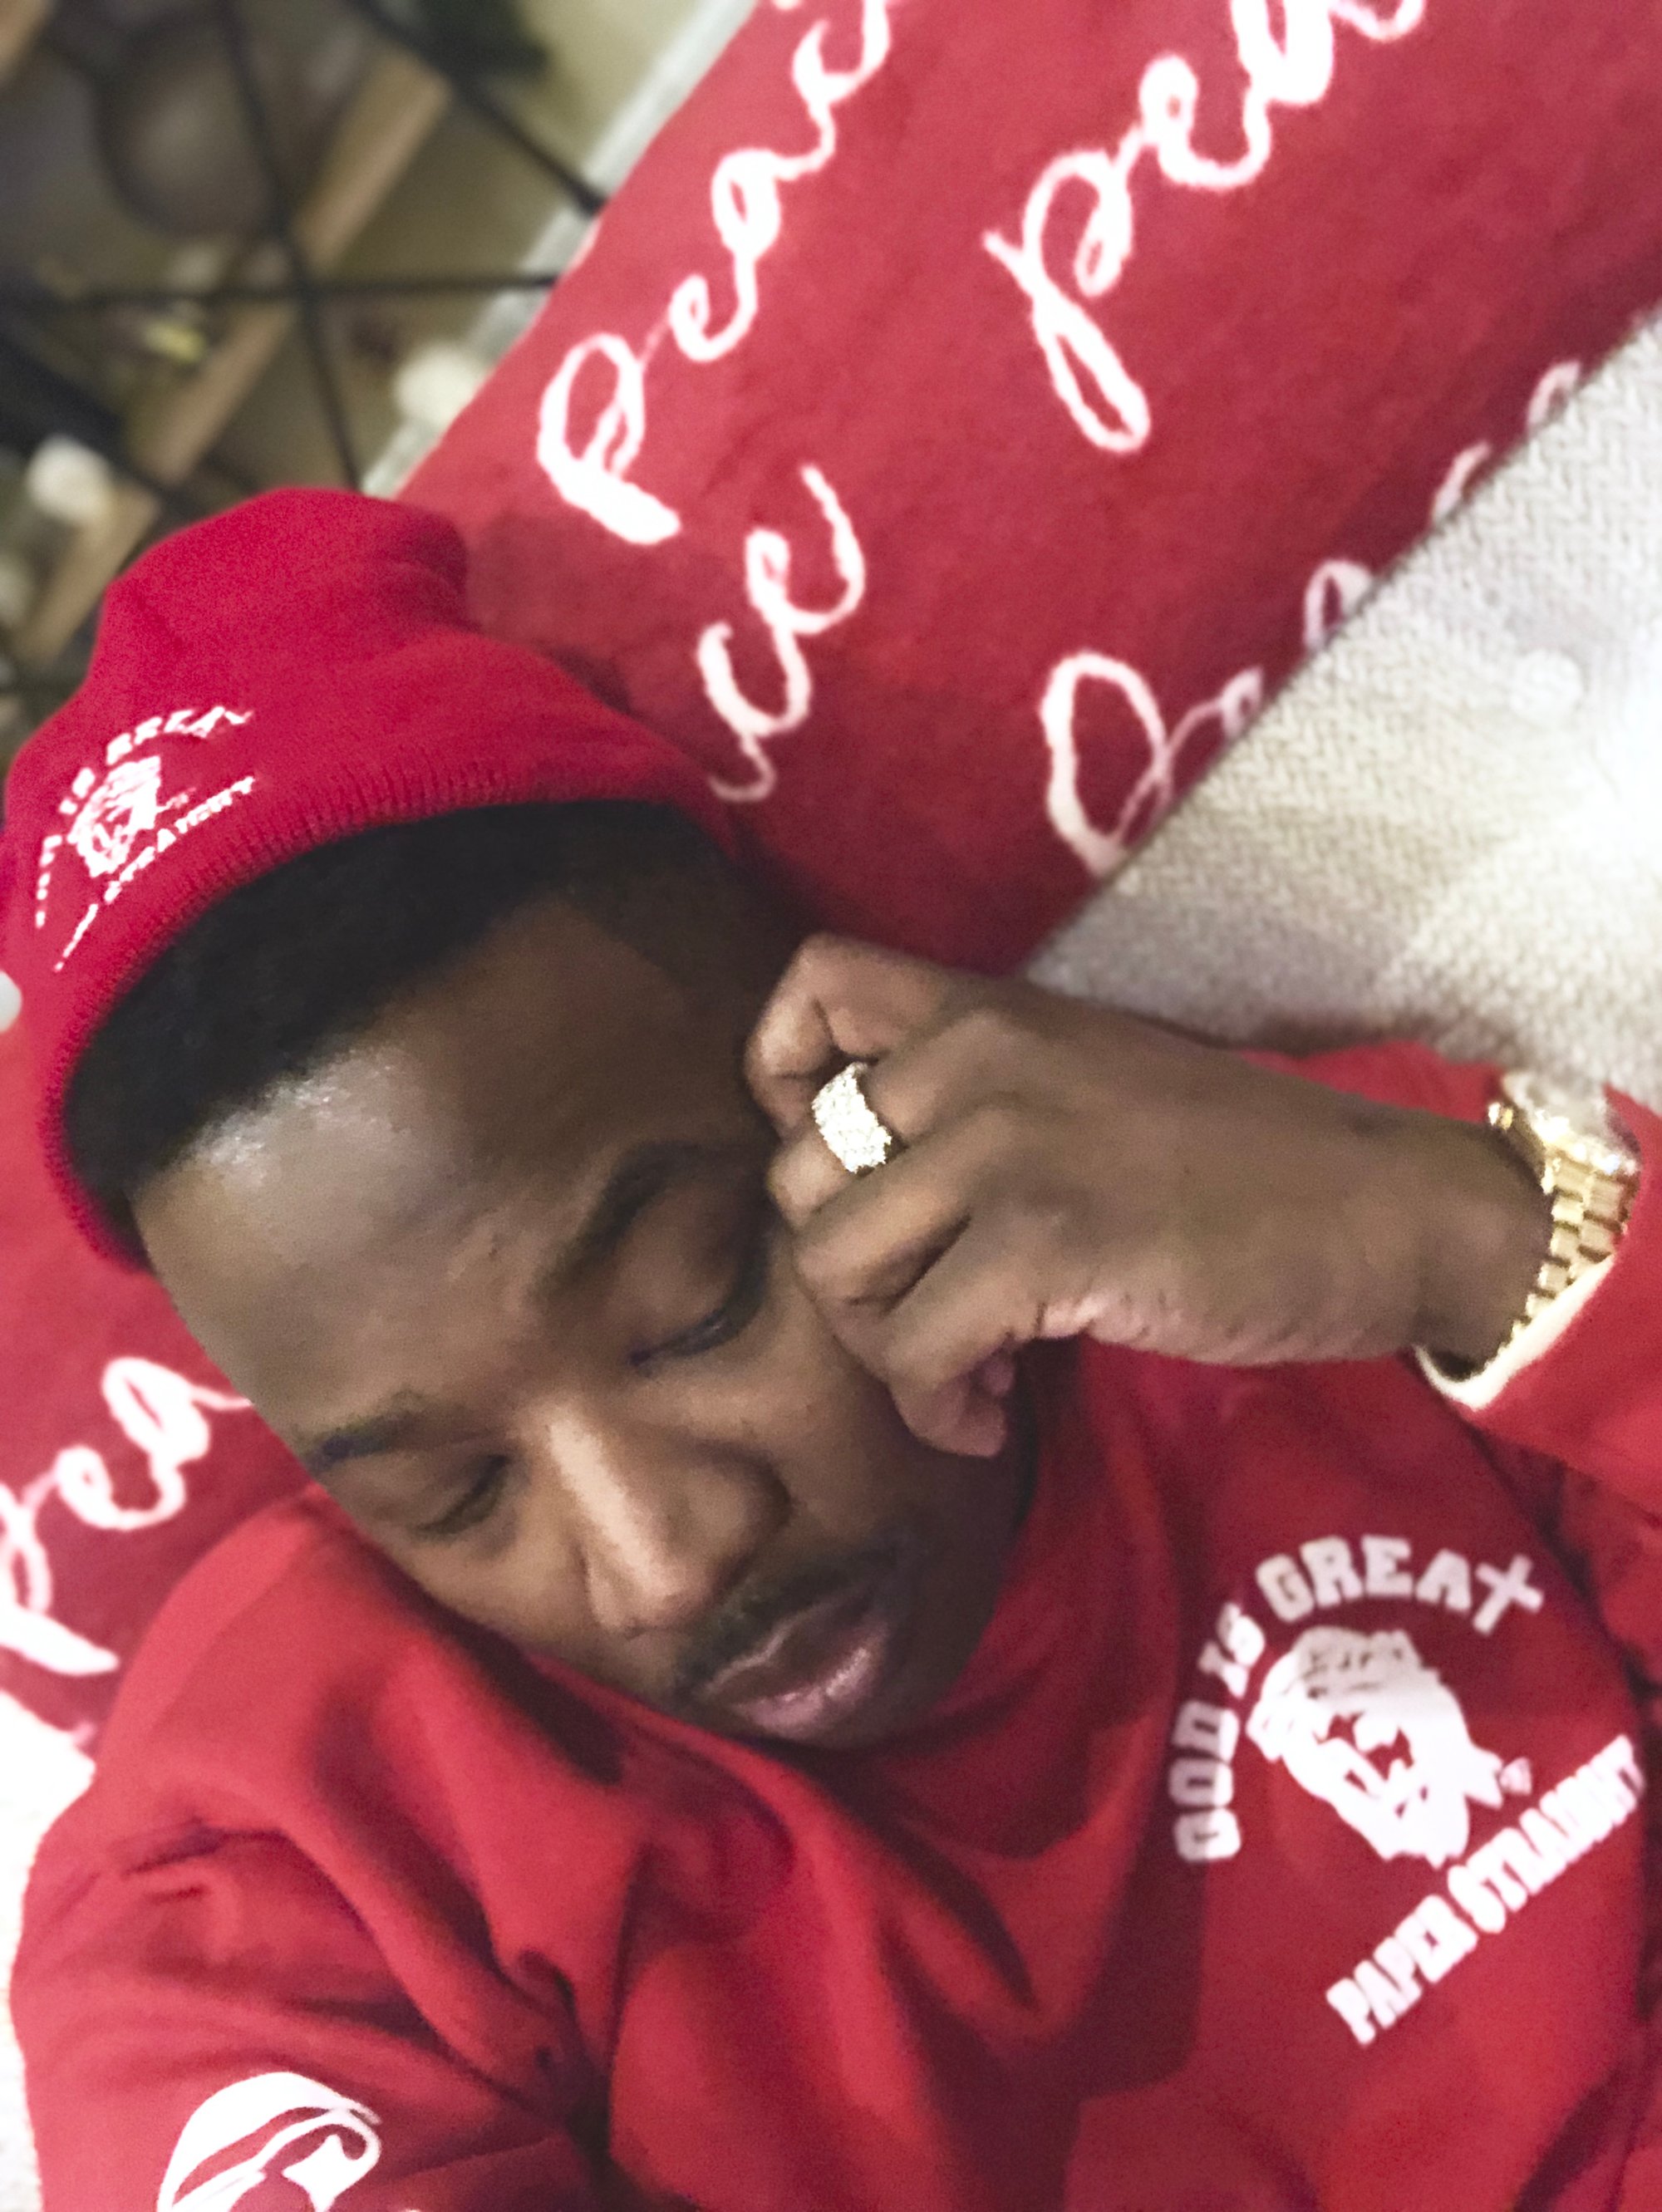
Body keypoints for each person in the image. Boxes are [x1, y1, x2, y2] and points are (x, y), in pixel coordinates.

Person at [3, 489, 1659, 2212]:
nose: (661, 1555)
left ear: (845, 1052)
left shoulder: (1295, 1244)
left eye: (700, 1301)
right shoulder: (281, 1864)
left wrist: (1460, 1238)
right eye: (453, 1492)